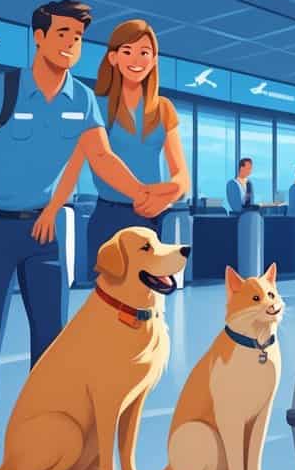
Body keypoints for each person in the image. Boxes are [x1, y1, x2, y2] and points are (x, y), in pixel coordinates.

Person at [0, 0, 160, 467]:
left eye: (77, 38)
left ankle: (45, 432)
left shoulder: (80, 99)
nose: (69, 44)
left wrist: (141, 192)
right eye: (61, 34)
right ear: (38, 38)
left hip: (44, 233)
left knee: (54, 342)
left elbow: (101, 158)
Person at [43, 19, 190, 277]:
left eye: (144, 52)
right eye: (127, 51)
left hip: (150, 221)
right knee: (108, 303)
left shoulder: (164, 108)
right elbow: (76, 164)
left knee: (146, 303)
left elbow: (182, 176)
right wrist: (52, 208)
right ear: (113, 58)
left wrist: (168, 193)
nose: (137, 59)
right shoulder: (94, 105)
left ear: (154, 59)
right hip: (110, 218)